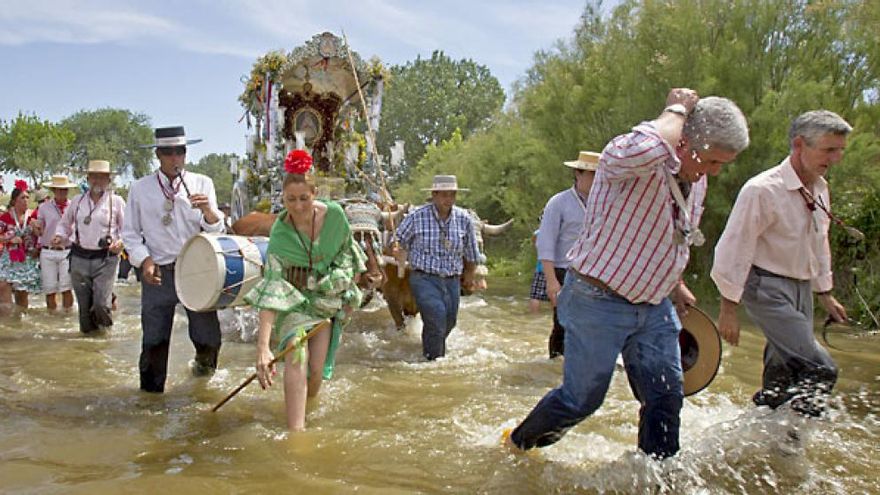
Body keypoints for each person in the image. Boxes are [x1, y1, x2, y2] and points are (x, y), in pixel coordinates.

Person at [506, 89, 750, 459]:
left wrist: (675, 284)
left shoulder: (696, 179)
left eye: (722, 164)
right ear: (684, 141)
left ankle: (656, 479)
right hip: (596, 300)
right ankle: (516, 446)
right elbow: (640, 144)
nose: (714, 171)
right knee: (581, 400)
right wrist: (677, 108)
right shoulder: (632, 160)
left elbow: (671, 238)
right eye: (713, 161)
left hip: (653, 306)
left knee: (666, 396)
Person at [711, 110, 851, 417]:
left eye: (840, 150)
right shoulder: (762, 190)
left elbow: (819, 242)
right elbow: (734, 248)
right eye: (829, 149)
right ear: (799, 144)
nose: (836, 158)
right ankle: (793, 443)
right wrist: (728, 308)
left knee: (782, 375)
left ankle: (758, 438)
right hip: (766, 288)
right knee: (820, 370)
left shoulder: (820, 188)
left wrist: (825, 292)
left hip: (801, 288)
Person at [248, 149, 366, 430]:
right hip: (294, 303)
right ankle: (296, 433)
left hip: (326, 302)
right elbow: (273, 288)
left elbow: (349, 257)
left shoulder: (336, 216)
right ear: (282, 199)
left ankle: (308, 403)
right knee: (295, 353)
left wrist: (334, 284)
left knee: (315, 372)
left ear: (315, 194)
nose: (298, 206)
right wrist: (263, 349)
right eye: (291, 200)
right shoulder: (280, 233)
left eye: (304, 198)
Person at [122, 126, 226, 393]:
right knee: (154, 341)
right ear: (157, 155)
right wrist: (144, 261)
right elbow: (130, 234)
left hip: (197, 271)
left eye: (179, 151)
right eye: (167, 152)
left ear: (185, 154)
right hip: (158, 271)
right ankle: (150, 403)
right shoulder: (140, 188)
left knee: (209, 339)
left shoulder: (203, 183)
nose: (174, 157)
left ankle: (202, 382)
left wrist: (208, 211)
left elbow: (216, 231)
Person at [392, 175, 480, 360]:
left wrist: (470, 275)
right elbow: (398, 239)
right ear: (434, 195)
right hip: (424, 278)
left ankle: (430, 348)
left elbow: (472, 252)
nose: (448, 200)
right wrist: (397, 249)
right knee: (436, 315)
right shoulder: (417, 216)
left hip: (452, 280)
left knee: (450, 321)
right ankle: (434, 361)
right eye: (444, 195)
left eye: (452, 195)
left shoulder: (464, 219)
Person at [536, 151, 599, 357]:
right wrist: (551, 281)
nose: (597, 179)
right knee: (562, 323)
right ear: (578, 174)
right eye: (591, 174)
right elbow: (545, 243)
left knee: (595, 325)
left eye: (599, 174)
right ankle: (556, 364)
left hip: (596, 274)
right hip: (565, 270)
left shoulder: (604, 204)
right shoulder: (558, 203)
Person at [53, 161, 126, 332]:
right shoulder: (78, 201)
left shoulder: (116, 202)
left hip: (106, 258)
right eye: (94, 176)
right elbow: (64, 224)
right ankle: (88, 346)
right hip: (79, 257)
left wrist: (121, 243)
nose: (97, 181)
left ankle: (106, 335)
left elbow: (128, 230)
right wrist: (59, 236)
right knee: (84, 309)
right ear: (88, 179)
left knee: (101, 303)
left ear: (109, 180)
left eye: (102, 177)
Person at [33, 175, 78, 312]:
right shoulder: (44, 207)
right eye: (58, 189)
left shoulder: (74, 206)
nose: (61, 192)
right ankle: (52, 316)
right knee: (50, 289)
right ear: (53, 190)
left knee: (66, 287)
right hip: (48, 250)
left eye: (64, 190)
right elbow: (39, 227)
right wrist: (36, 228)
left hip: (67, 250)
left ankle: (67, 317)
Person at [0, 181, 42, 313]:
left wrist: (37, 230)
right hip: (9, 258)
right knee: (3, 286)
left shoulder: (33, 216)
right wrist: (10, 239)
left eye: (27, 197)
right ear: (14, 201)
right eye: (22, 198)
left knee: (22, 295)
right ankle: (6, 322)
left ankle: (20, 322)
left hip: (27, 259)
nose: (25, 200)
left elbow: (41, 235)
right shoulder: (6, 217)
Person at [528, 229, 549, 313]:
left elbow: (533, 238)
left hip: (541, 268)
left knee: (535, 296)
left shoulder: (539, 233)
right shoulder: (560, 232)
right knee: (555, 295)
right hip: (557, 267)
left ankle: (534, 315)